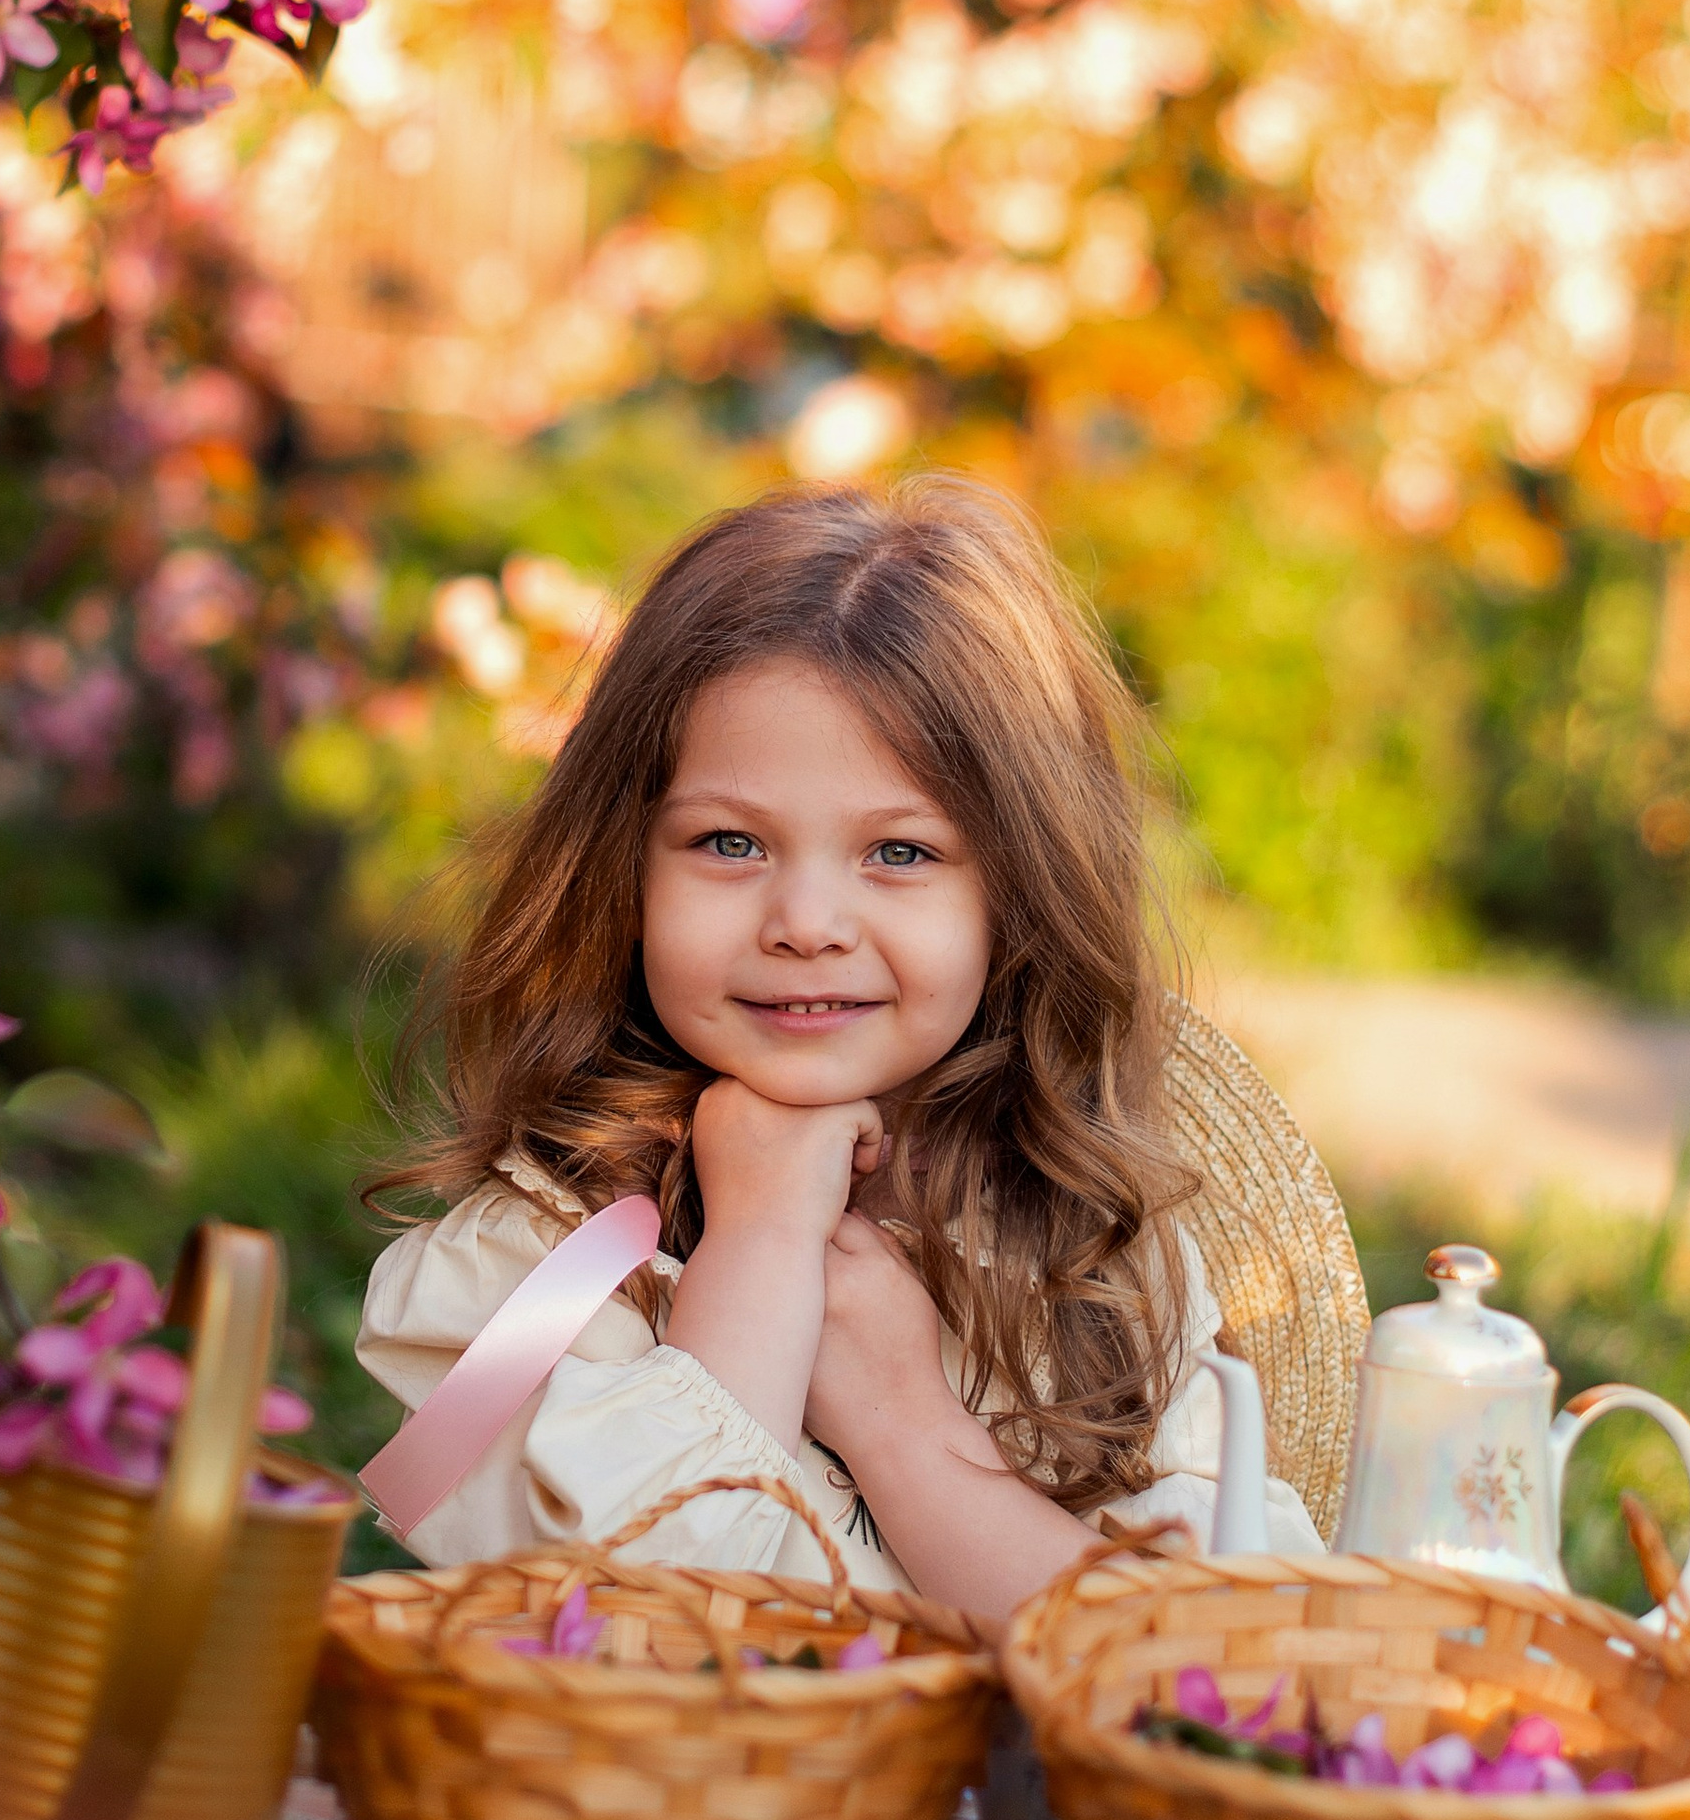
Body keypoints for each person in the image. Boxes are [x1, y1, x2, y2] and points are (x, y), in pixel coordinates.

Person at [359, 475, 1324, 1616]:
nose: (806, 923)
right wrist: (761, 1246)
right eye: (728, 841)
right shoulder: (536, 1269)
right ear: (623, 867)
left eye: (900, 854)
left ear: (1018, 893)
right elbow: (644, 1641)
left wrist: (905, 1429)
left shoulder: (1101, 1272)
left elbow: (1205, 1670)